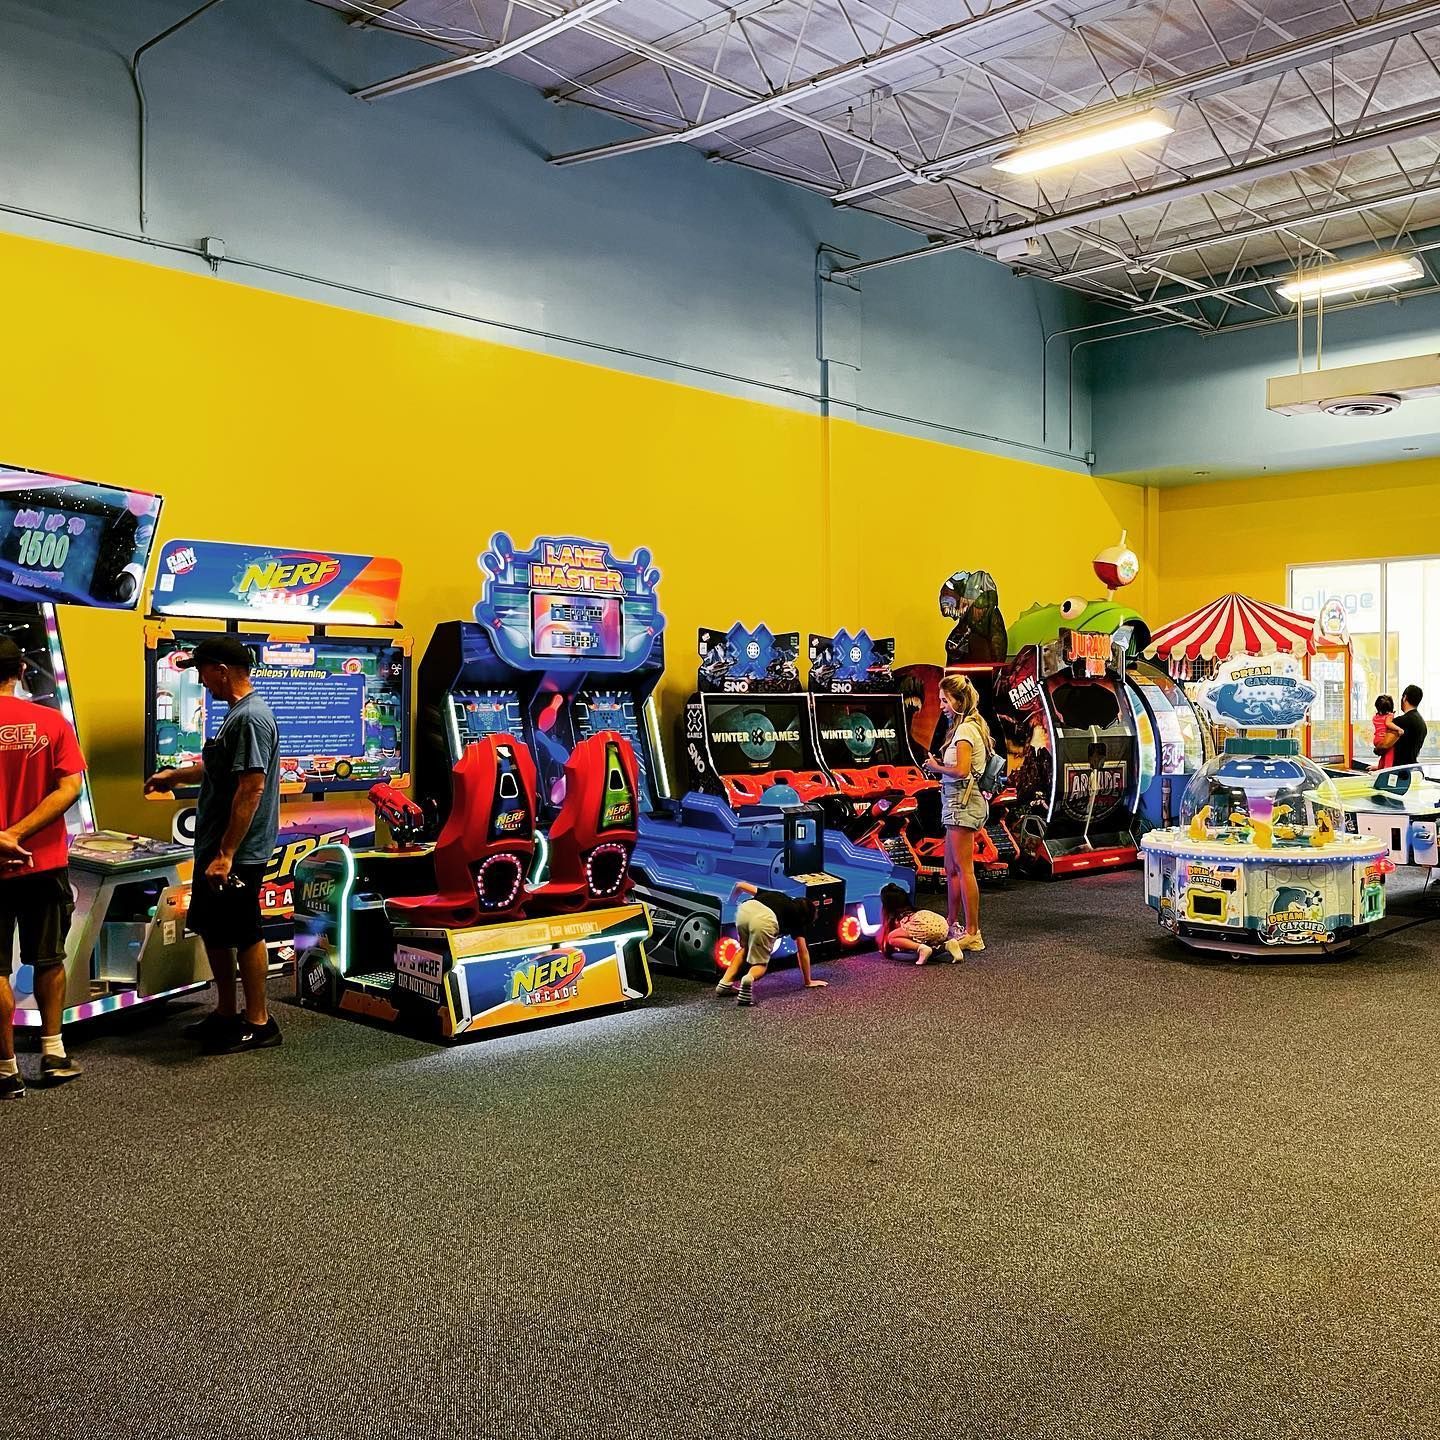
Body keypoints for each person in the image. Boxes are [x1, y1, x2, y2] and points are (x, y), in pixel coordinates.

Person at [145, 636, 282, 1054]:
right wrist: (177, 776)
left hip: (237, 852)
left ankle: (259, 1022)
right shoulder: (236, 717)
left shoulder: (250, 718)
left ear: (222, 670)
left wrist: (226, 854)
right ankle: (226, 1012)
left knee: (243, 930)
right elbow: (221, 768)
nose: (202, 682)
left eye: (203, 672)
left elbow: (251, 788)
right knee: (215, 930)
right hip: (216, 847)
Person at [0, 636, 87, 1097]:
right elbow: (69, 788)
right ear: (20, 672)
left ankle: (5, 1068)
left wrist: (2, 837)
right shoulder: (51, 723)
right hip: (43, 861)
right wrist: (19, 834)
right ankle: (53, 1053)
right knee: (49, 958)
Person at [924, 674, 990, 953]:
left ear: (958, 700)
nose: (941, 706)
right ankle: (952, 922)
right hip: (955, 803)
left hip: (962, 804)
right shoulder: (968, 727)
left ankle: (973, 932)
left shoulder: (965, 731)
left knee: (965, 870)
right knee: (951, 869)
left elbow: (962, 770)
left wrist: (935, 767)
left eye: (944, 700)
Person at [715, 879, 828, 1006]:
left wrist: (731, 902)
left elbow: (739, 885)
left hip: (745, 910)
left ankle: (724, 983)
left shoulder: (777, 895)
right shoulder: (798, 920)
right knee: (761, 964)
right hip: (765, 920)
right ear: (806, 917)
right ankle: (748, 980)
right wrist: (808, 981)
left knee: (745, 949)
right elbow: (802, 952)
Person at [878, 882, 958, 965]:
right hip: (942, 926)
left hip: (925, 928)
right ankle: (948, 945)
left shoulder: (899, 919)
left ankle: (921, 949)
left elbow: (891, 941)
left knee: (891, 937)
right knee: (923, 938)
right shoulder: (913, 912)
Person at [1380, 685, 1427, 771]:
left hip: (1398, 771)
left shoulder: (1400, 721)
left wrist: (1376, 749)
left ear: (1405, 697)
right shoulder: (1422, 723)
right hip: (1412, 769)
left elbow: (1384, 746)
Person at [1371, 694, 1396, 769]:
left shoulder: (1375, 718)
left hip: (1376, 739)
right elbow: (1388, 724)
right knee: (1389, 754)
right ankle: (1386, 770)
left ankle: (1380, 768)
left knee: (1384, 755)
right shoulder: (1389, 717)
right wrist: (1399, 729)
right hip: (1384, 739)